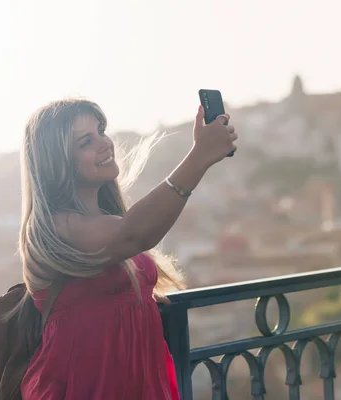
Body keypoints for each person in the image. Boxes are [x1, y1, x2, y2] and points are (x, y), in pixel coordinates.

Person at [13, 98, 238, 399]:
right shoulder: (55, 228)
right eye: (86, 142)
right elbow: (134, 235)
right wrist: (199, 156)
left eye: (101, 131)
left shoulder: (104, 222)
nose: (105, 143)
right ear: (58, 162)